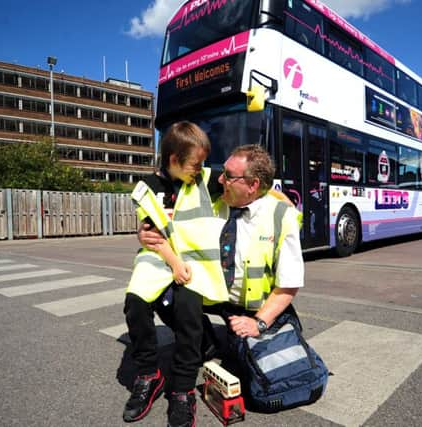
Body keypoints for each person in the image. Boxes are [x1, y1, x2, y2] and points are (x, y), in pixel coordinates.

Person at [140, 143, 304, 353]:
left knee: (260, 364)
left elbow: (289, 284)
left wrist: (259, 323)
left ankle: (260, 327)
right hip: (212, 293)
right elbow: (167, 214)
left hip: (252, 305)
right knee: (162, 292)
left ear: (253, 185)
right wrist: (145, 234)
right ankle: (203, 341)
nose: (220, 179)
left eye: (227, 175)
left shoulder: (281, 218)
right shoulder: (212, 202)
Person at [122, 121, 228, 427]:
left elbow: (240, 179)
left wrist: (277, 198)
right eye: (195, 164)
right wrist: (173, 263)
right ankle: (148, 373)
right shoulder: (149, 188)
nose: (200, 169)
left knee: (188, 311)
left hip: (193, 261)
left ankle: (182, 390)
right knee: (136, 303)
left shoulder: (205, 179)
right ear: (173, 160)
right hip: (159, 258)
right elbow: (151, 237)